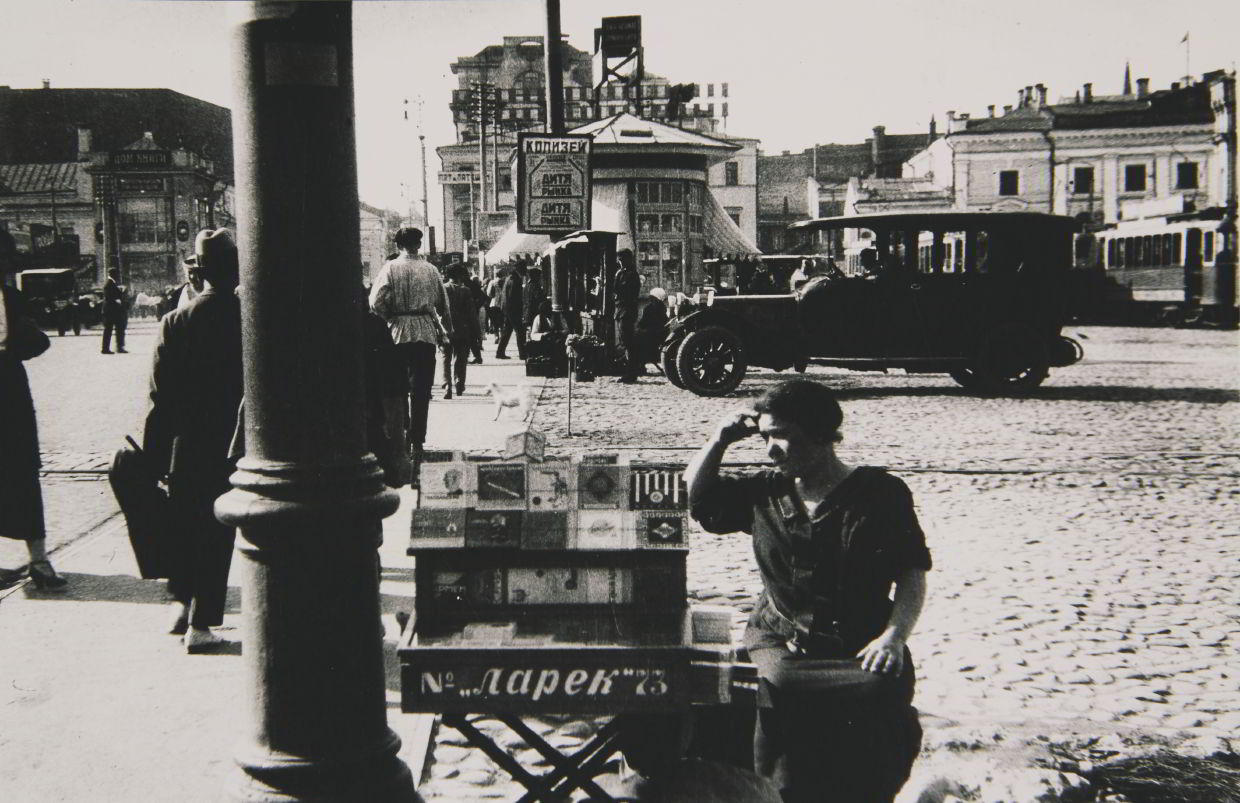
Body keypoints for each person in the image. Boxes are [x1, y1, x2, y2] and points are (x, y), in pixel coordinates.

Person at [686, 379, 930, 802]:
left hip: (860, 643)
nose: (770, 450)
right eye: (765, 438)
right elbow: (694, 498)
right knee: (779, 693)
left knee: (879, 707)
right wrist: (719, 440)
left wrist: (894, 636)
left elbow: (911, 571)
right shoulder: (764, 491)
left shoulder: (880, 494)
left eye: (783, 437)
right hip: (782, 640)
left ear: (820, 435)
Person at [143, 228, 244, 652]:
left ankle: (180, 605)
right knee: (217, 530)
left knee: (186, 519)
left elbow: (158, 397)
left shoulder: (174, 322)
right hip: (235, 439)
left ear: (198, 273)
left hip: (186, 441)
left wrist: (154, 457)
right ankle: (201, 625)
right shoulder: (249, 317)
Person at [0, 230, 65, 590]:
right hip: (9, 397)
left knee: (21, 475)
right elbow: (37, 342)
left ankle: (37, 561)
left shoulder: (10, 297)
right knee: (23, 476)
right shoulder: (11, 297)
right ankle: (38, 562)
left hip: (10, 398)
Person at [369, 226, 451, 474]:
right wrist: (444, 329)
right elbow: (443, 304)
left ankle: (401, 435)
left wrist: (390, 316)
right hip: (425, 332)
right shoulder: (430, 269)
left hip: (397, 333)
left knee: (398, 388)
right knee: (421, 389)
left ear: (398, 245)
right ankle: (418, 439)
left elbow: (375, 301)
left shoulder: (390, 268)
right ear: (419, 244)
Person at [440, 263, 479, 399]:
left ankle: (447, 385)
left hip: (445, 328)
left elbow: (437, 309)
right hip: (463, 329)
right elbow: (472, 314)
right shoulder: (466, 291)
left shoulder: (442, 289)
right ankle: (459, 383)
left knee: (445, 357)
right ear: (459, 276)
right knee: (461, 358)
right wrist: (476, 331)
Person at [612, 249, 641, 383]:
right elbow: (615, 291)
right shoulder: (620, 273)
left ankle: (631, 373)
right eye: (619, 259)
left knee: (629, 343)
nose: (620, 262)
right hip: (620, 311)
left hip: (627, 311)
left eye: (622, 259)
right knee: (625, 342)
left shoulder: (632, 274)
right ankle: (629, 372)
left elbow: (626, 292)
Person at [634, 287, 669, 374]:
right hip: (658, 333)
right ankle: (641, 365)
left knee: (638, 340)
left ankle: (640, 365)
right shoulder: (662, 307)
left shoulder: (649, 308)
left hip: (653, 334)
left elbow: (643, 322)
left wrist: (640, 329)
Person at [495, 260, 526, 360]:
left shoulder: (509, 278)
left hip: (507, 309)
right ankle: (523, 354)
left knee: (507, 331)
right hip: (513, 309)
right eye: (524, 268)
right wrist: (518, 309)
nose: (525, 270)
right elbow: (513, 296)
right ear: (520, 268)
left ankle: (500, 352)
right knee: (520, 331)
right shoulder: (515, 279)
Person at [101, 267, 129, 353]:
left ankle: (117, 347)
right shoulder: (109, 283)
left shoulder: (111, 283)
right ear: (114, 274)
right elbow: (110, 296)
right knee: (111, 330)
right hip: (111, 311)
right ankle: (107, 348)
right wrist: (119, 298)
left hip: (113, 311)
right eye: (117, 274)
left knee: (115, 329)